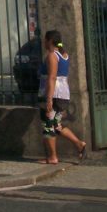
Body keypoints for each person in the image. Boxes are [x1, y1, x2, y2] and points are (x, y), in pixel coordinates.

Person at [38, 29, 87, 164]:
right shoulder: (64, 55)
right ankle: (79, 144)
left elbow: (52, 77)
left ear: (49, 41)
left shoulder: (52, 56)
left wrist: (48, 99)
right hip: (62, 94)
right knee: (56, 124)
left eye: (45, 40)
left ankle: (53, 157)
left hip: (54, 95)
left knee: (48, 124)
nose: (44, 42)